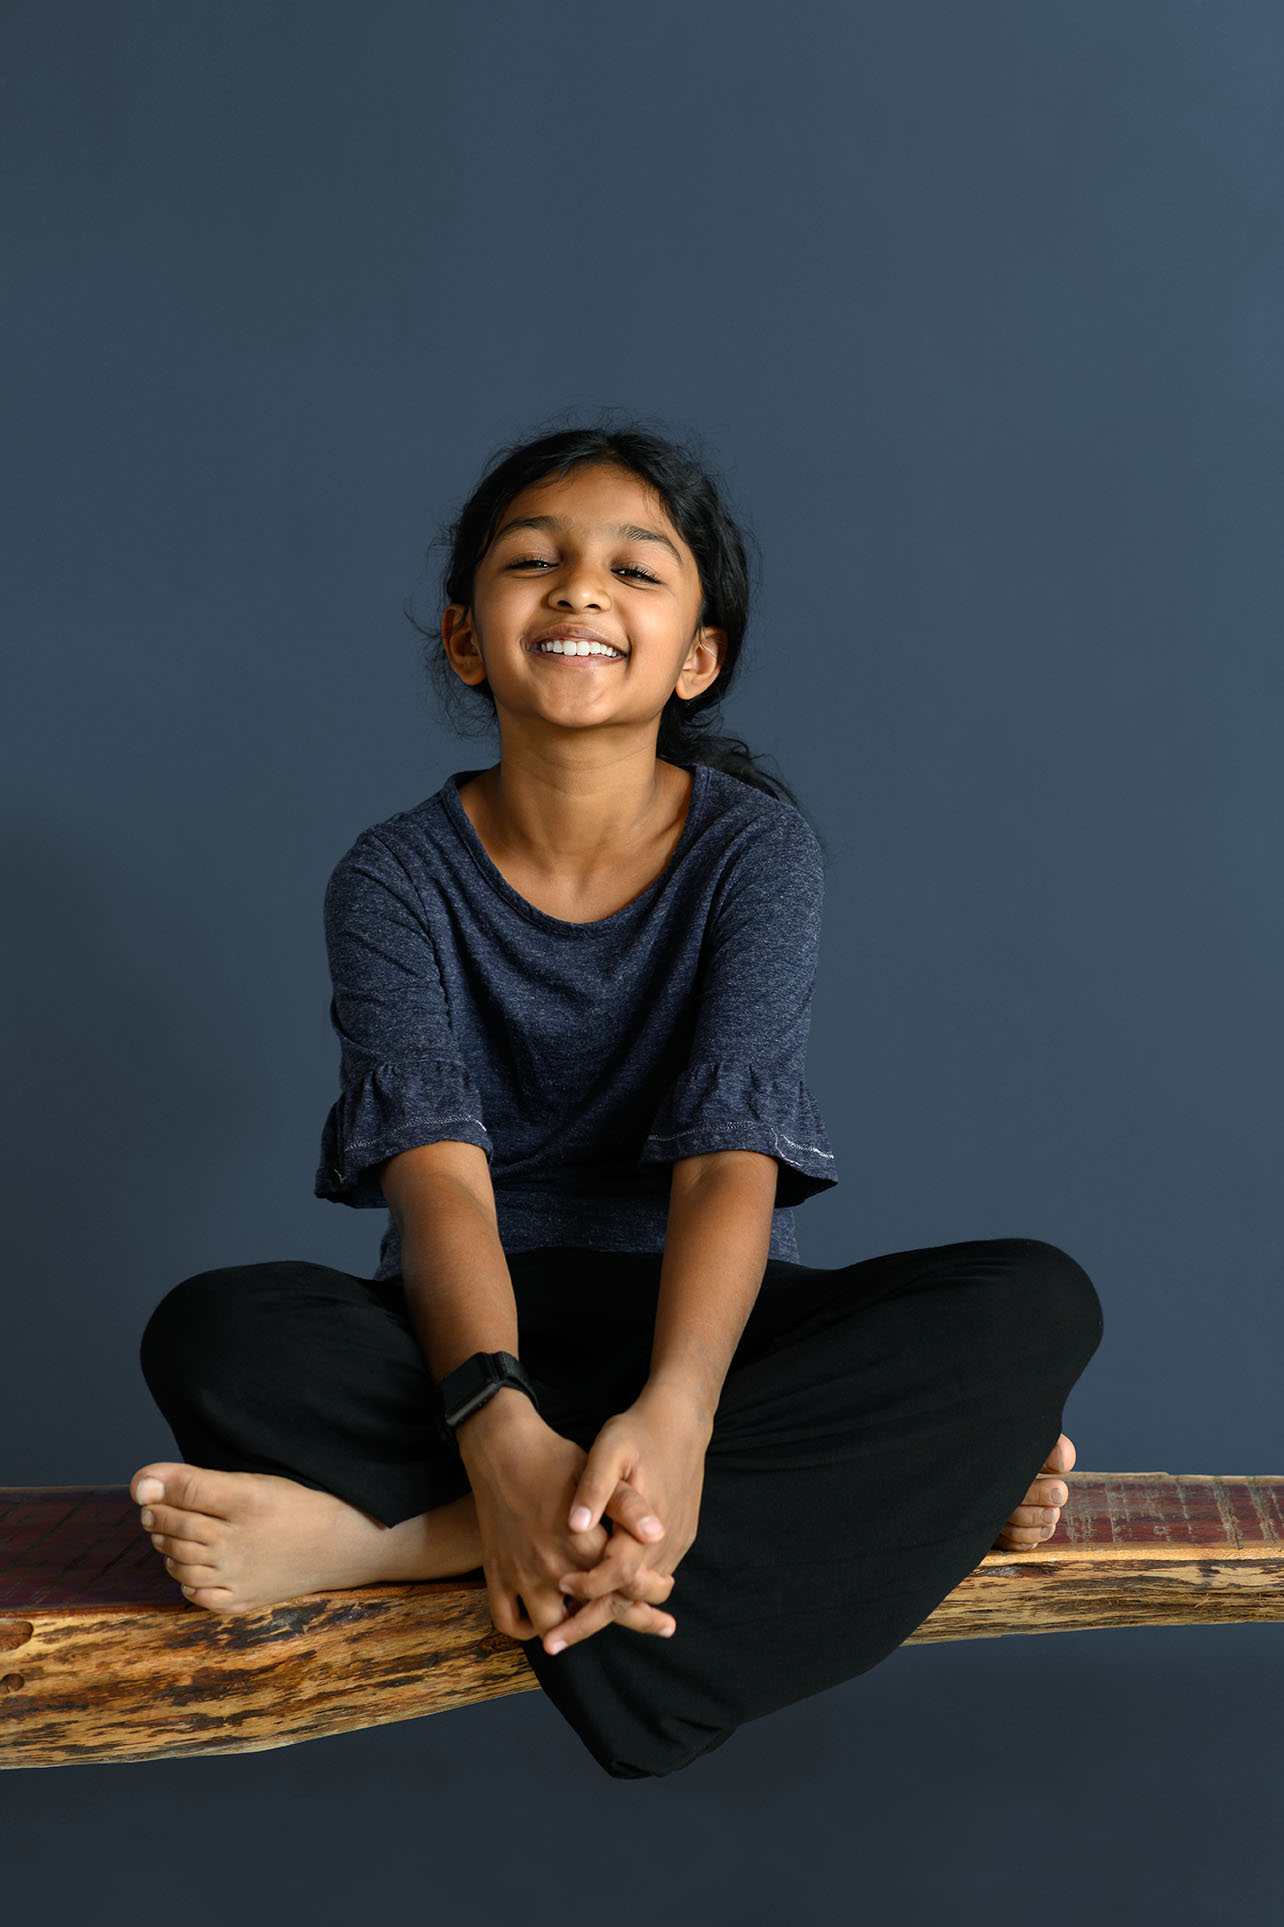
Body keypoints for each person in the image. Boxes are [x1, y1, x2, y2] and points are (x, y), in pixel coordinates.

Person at [131, 417, 1103, 1780]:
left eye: (636, 571)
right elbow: (439, 1178)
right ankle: (864, 1507)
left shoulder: (755, 852)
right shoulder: (393, 877)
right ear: (467, 637)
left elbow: (727, 1159)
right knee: (217, 1334)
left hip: (702, 1331)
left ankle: (404, 1544)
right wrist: (498, 1422)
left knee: (1033, 1305)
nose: (582, 590)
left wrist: (683, 1416)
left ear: (695, 658)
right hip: (476, 1338)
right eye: (535, 561)